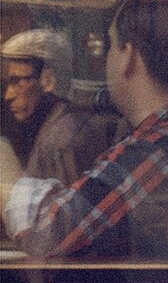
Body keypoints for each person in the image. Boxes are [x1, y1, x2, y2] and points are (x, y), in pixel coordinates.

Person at [0, 0, 168, 259]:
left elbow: (50, 231)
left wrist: (5, 170)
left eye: (109, 47)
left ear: (128, 56)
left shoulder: (158, 146)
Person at [2, 29, 112, 187]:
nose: (8, 95)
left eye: (18, 81)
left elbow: (67, 211)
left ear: (48, 80)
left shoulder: (59, 144)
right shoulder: (57, 127)